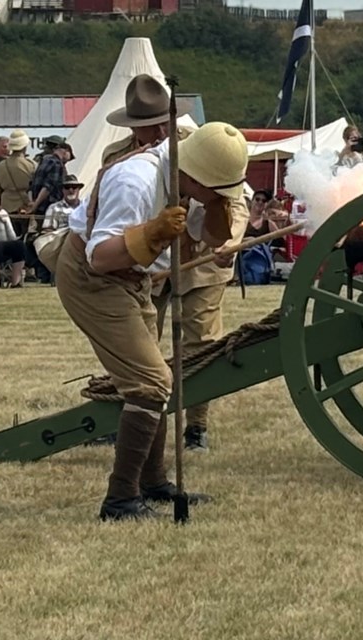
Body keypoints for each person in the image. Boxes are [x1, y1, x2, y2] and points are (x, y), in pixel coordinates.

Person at [56, 122, 248, 521]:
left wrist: (216, 212)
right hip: (93, 280)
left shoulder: (185, 177)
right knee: (150, 383)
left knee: (157, 377)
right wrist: (152, 232)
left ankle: (152, 483)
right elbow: (100, 256)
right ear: (200, 177)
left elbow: (209, 235)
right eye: (221, 191)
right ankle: (120, 501)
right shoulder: (136, 182)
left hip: (133, 279)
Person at [152, 192, 250, 451]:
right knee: (137, 341)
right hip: (153, 258)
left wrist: (230, 241)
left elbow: (237, 203)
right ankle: (124, 418)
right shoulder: (145, 158)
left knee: (201, 346)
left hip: (203, 260)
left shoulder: (215, 156)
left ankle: (196, 427)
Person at [102, 75, 193, 166]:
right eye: (151, 127)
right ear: (133, 128)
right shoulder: (117, 157)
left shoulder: (192, 142)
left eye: (165, 123)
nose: (161, 133)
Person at [0, 129, 36, 237]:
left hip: (7, 208)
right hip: (26, 208)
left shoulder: (0, 167)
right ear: (25, 147)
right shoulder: (32, 165)